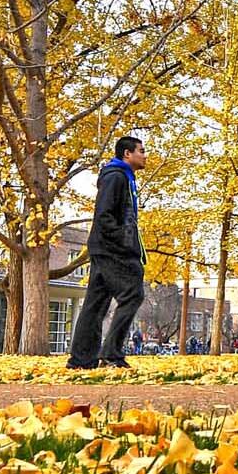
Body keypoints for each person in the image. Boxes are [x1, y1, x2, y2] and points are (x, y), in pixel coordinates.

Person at [66, 136, 148, 370]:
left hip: (105, 247)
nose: (145, 155)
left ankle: (81, 359)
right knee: (132, 294)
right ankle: (111, 352)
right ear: (127, 154)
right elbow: (104, 215)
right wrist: (124, 241)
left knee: (96, 303)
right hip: (112, 248)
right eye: (141, 151)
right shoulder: (115, 177)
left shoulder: (122, 177)